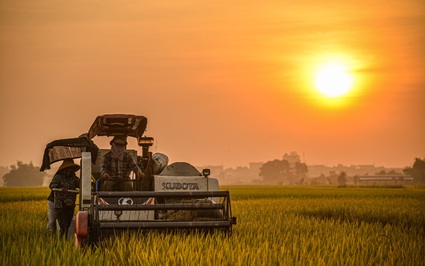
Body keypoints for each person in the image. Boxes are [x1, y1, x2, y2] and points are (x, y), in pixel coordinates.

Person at [49, 159, 80, 237]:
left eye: (70, 168)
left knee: (68, 224)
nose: (69, 170)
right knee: (63, 225)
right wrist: (60, 188)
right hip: (60, 205)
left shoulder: (74, 178)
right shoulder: (58, 177)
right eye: (68, 168)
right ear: (64, 169)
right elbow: (52, 185)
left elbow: (80, 184)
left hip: (70, 204)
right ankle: (62, 241)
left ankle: (64, 239)